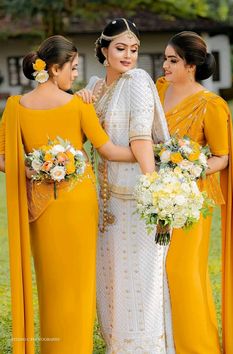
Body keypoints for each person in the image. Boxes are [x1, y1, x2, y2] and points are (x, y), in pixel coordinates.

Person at [0, 35, 138, 354]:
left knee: (51, 283)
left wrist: (33, 170)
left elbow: (4, 159)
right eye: (73, 68)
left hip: (40, 206)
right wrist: (148, 153)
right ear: (54, 68)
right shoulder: (77, 105)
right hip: (78, 203)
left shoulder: (15, 106)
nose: (75, 75)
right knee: (78, 283)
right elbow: (110, 151)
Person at [78, 18, 175, 353]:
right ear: (103, 50)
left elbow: (141, 140)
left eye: (134, 49)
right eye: (120, 48)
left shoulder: (136, 81)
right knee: (112, 285)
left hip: (136, 202)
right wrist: (80, 103)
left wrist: (157, 199)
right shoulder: (94, 87)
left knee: (140, 282)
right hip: (104, 204)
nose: (129, 55)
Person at [156, 31, 233, 354]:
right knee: (159, 273)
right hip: (156, 197)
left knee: (183, 271)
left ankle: (197, 347)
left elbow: (224, 156)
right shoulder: (158, 91)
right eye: (165, 59)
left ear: (191, 65)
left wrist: (191, 167)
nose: (165, 65)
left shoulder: (210, 105)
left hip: (192, 201)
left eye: (172, 60)